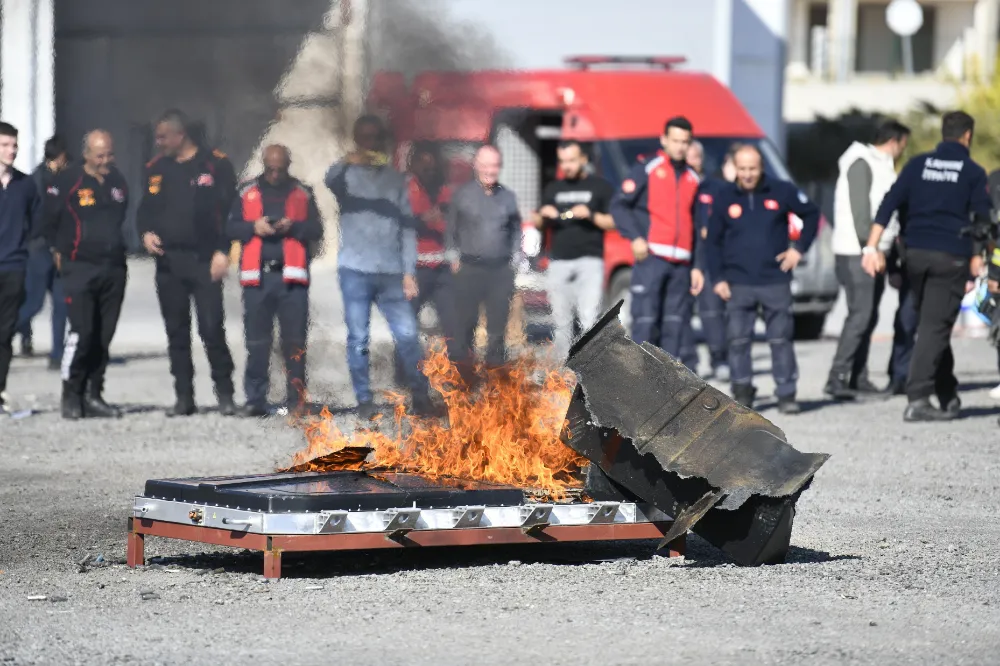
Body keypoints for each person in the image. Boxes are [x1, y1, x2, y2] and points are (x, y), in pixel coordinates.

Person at [866, 111, 992, 422]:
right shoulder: (973, 172)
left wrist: (872, 246)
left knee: (934, 323)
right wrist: (981, 257)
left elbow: (888, 203)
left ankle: (948, 392)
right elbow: (984, 221)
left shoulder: (917, 165)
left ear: (944, 133)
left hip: (915, 257)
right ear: (967, 136)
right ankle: (919, 398)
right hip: (950, 257)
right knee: (935, 327)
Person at [325, 115, 433, 420]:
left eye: (375, 138)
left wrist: (409, 272)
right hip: (355, 270)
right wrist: (348, 160)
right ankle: (363, 399)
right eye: (365, 138)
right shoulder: (345, 176)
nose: (370, 143)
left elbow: (408, 228)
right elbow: (329, 180)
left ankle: (420, 396)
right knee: (358, 338)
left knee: (408, 335)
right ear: (358, 141)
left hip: (391, 272)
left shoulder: (396, 180)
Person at [705, 143, 820, 414]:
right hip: (738, 282)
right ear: (735, 168)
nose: (747, 174)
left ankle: (786, 394)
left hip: (774, 280)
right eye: (742, 169)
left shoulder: (781, 190)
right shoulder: (723, 196)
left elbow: (811, 214)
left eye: (752, 169)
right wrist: (718, 278)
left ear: (761, 168)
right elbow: (713, 243)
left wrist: (798, 250)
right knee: (739, 340)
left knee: (780, 338)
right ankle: (743, 392)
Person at [137, 108, 238, 417]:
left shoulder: (216, 165)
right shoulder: (156, 168)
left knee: (211, 329)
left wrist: (224, 252)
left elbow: (231, 211)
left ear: (180, 135)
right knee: (177, 332)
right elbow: (145, 210)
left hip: (205, 260)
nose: (158, 142)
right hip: (169, 263)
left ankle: (225, 394)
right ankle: (184, 397)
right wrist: (145, 233)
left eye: (163, 137)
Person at [228, 145, 323, 417]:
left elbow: (317, 229)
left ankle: (296, 400)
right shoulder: (246, 191)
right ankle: (255, 399)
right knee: (257, 341)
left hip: (292, 278)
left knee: (294, 341)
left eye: (280, 168)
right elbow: (230, 228)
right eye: (270, 168)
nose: (274, 173)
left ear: (288, 165)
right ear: (263, 164)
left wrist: (293, 226)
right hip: (257, 278)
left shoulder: (302, 192)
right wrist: (252, 227)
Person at [46, 130, 130, 419]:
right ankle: (72, 393)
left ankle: (94, 394)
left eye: (109, 154)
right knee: (82, 332)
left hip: (113, 268)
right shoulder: (68, 181)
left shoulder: (118, 181)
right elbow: (50, 220)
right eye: (100, 155)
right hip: (79, 267)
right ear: (86, 155)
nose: (106, 160)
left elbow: (121, 215)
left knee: (103, 336)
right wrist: (59, 253)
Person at [825, 120, 911, 399]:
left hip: (872, 252)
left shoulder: (881, 164)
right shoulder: (861, 162)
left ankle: (858, 376)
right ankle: (837, 377)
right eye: (903, 145)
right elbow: (860, 210)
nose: (902, 152)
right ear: (895, 141)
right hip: (857, 252)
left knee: (869, 315)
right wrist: (869, 248)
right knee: (860, 316)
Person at [611, 116, 704, 358]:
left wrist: (697, 266)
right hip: (652, 258)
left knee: (675, 326)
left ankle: (667, 388)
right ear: (664, 140)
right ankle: (640, 386)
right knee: (646, 322)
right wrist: (635, 238)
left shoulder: (693, 178)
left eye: (685, 141)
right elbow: (620, 206)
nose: (680, 146)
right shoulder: (647, 169)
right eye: (675, 140)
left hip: (682, 264)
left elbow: (698, 225)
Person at [446, 144, 523, 386]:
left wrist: (516, 258)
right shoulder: (462, 195)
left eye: (494, 166)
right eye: (486, 165)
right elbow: (451, 229)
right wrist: (452, 257)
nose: (490, 170)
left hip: (500, 271)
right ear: (476, 166)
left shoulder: (508, 197)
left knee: (497, 329)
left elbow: (515, 231)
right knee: (465, 325)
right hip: (469, 269)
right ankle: (464, 378)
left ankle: (495, 379)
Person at [533, 140, 614, 361]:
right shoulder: (553, 188)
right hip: (559, 262)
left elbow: (612, 222)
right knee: (561, 322)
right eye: (563, 161)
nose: (566, 166)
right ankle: (563, 371)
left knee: (589, 319)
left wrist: (590, 215)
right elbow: (537, 222)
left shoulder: (600, 187)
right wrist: (543, 215)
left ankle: (590, 368)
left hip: (590, 262)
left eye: (571, 160)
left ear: (583, 160)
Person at [393, 143, 456, 384]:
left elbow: (456, 226)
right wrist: (423, 220)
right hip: (413, 268)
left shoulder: (446, 192)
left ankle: (456, 373)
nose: (429, 169)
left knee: (452, 323)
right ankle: (404, 375)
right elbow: (397, 224)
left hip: (442, 268)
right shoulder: (404, 189)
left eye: (433, 165)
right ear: (414, 164)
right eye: (424, 164)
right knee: (407, 326)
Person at [680, 140, 732, 380]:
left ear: (702, 160)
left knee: (712, 311)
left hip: (708, 256)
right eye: (687, 157)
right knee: (681, 312)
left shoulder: (716, 187)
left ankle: (719, 359)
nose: (691, 161)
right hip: (681, 257)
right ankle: (689, 362)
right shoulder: (676, 184)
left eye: (696, 157)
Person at [16, 135, 69, 368]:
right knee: (33, 303)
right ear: (59, 157)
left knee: (61, 303)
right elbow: (38, 219)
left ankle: (57, 355)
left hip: (58, 250)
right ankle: (8, 331)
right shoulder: (37, 182)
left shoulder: (62, 179)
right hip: (40, 250)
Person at [0, 122, 41, 416]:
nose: (11, 151)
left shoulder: (25, 185)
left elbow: (38, 222)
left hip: (14, 266)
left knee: (4, 334)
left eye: (14, 145)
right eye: (5, 145)